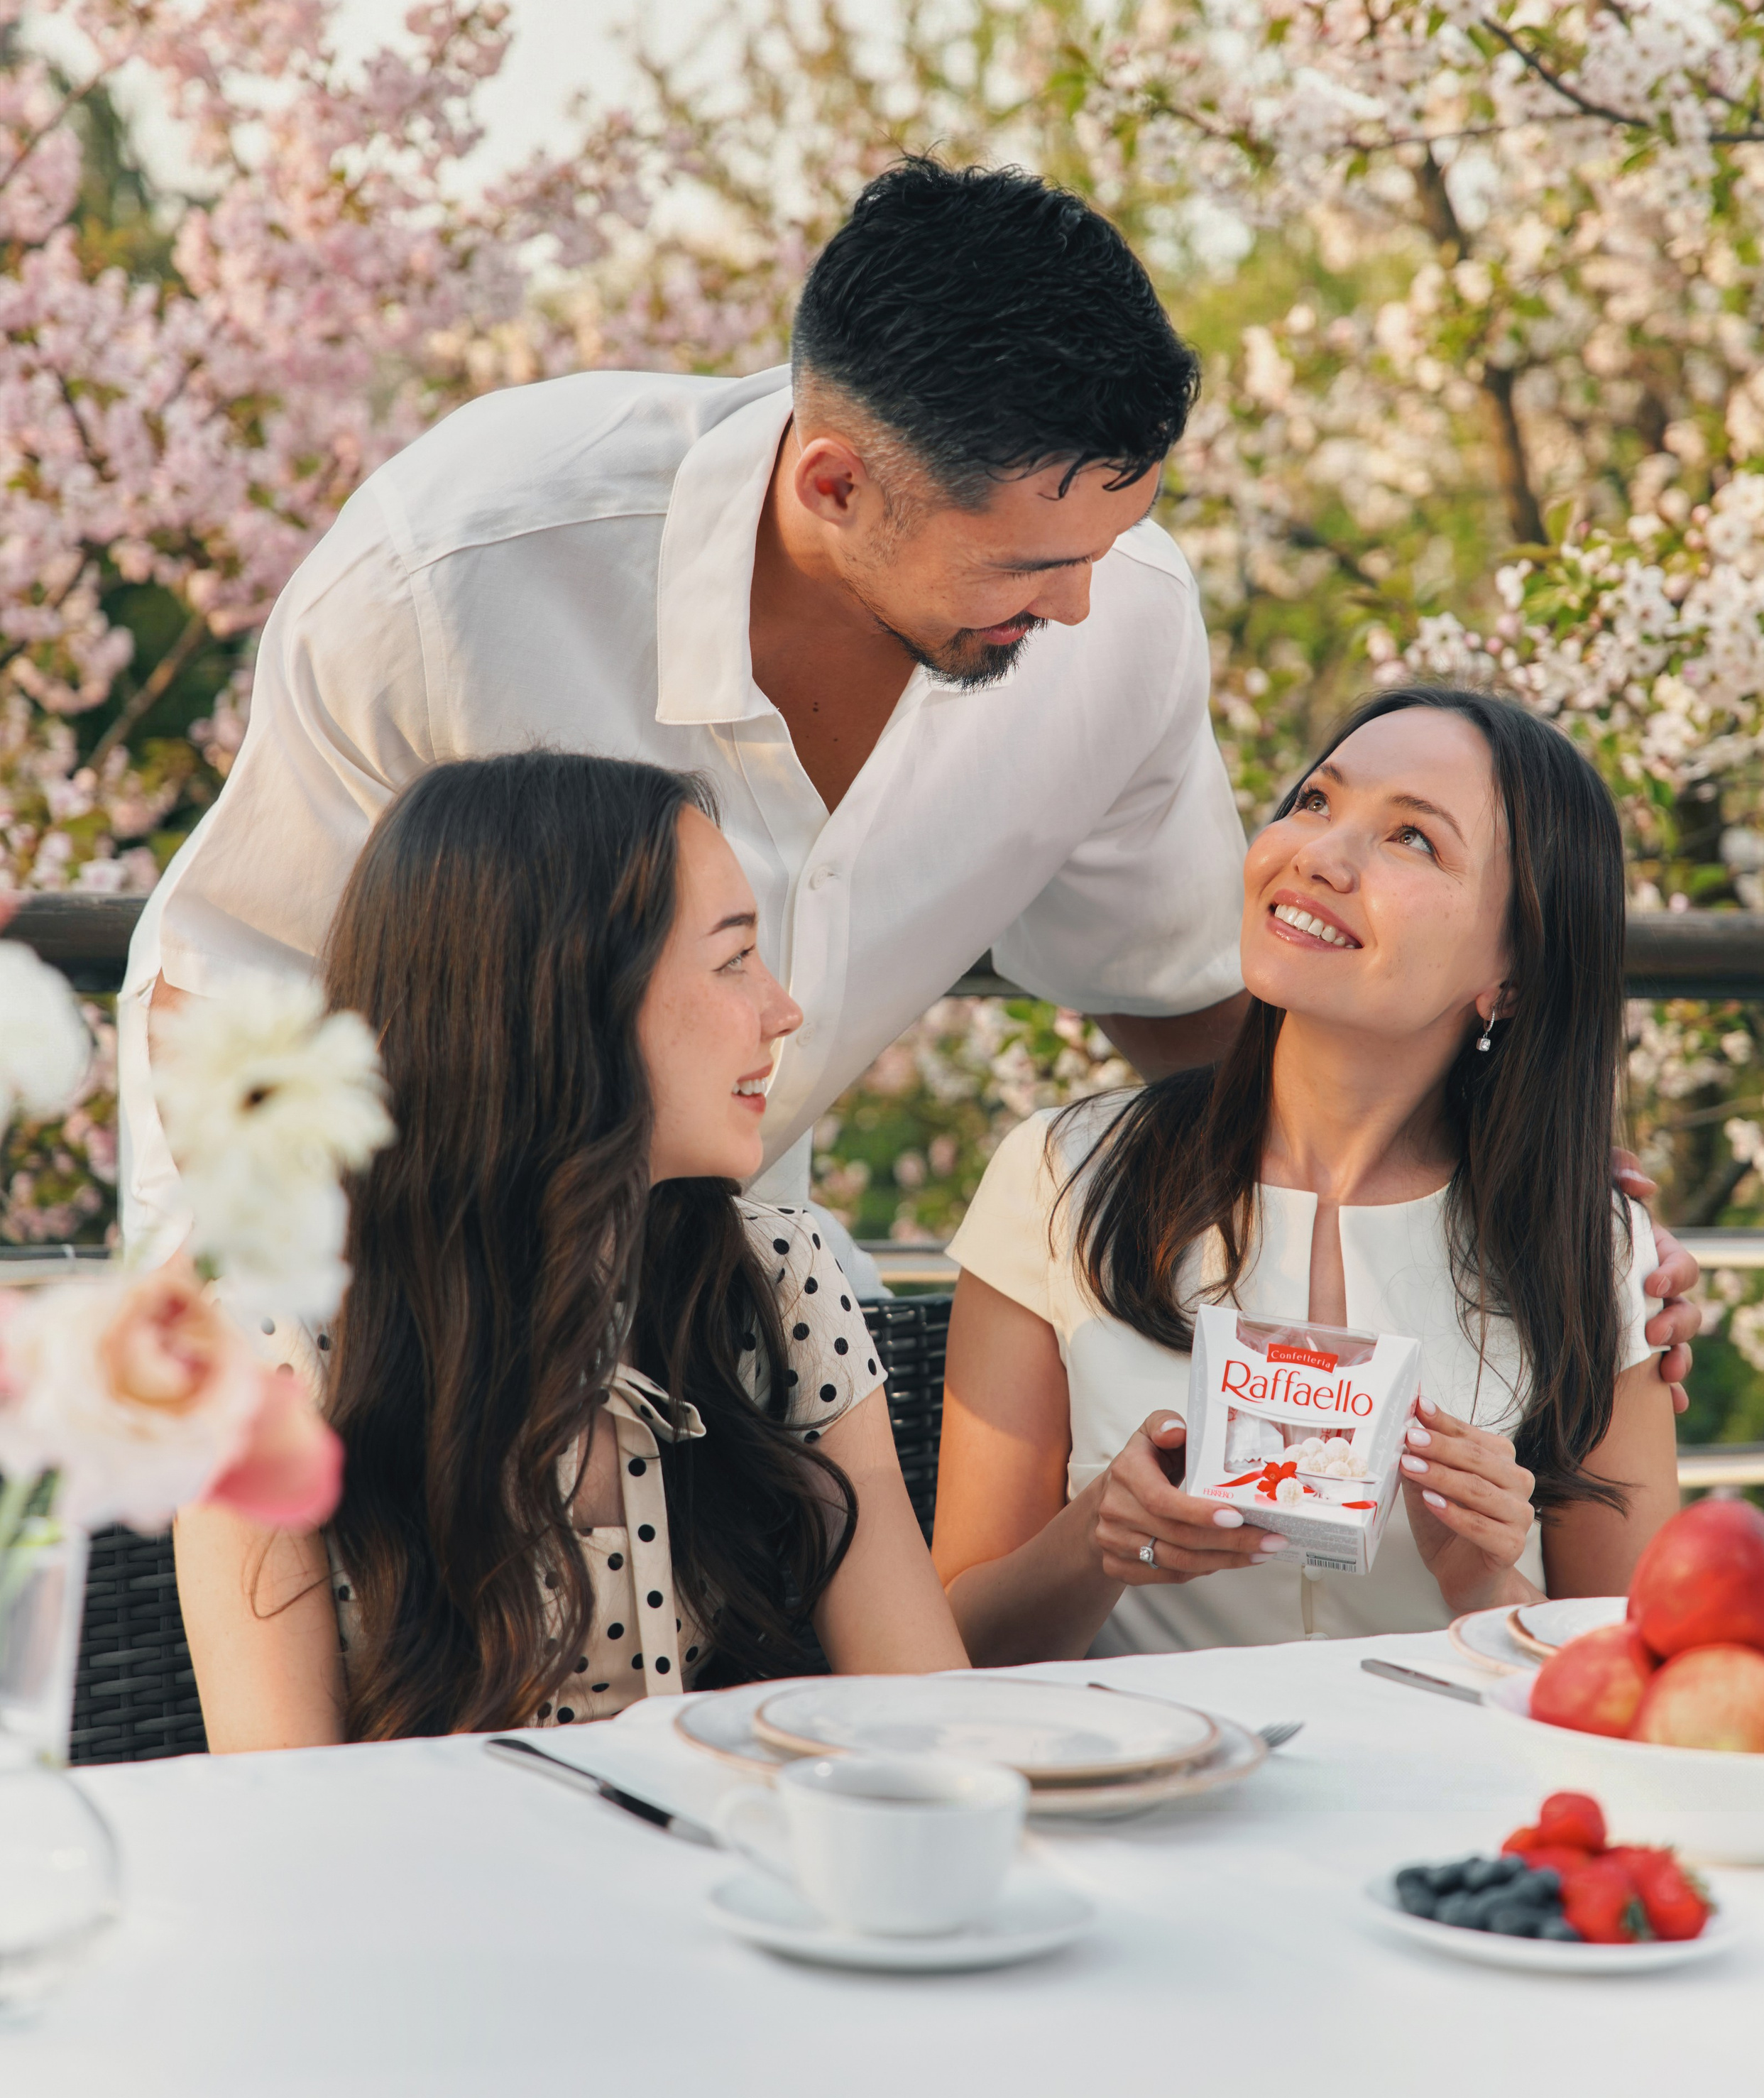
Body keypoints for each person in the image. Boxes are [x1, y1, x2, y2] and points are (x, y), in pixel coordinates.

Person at [121, 157, 1253, 1292]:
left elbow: (1187, 998)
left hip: (719, 1272)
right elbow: (229, 1002)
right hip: (358, 1252)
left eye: (1110, 544)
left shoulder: (1126, 624)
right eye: (1027, 566)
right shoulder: (449, 573)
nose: (1079, 606)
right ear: (834, 487)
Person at [175, 753, 967, 1749]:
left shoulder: (777, 1284)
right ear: (567, 1000)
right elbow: (279, 1819)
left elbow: (930, 1729)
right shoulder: (271, 1361)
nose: (784, 1009)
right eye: (733, 960)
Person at [933, 689, 1682, 1663]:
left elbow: (1640, 1677)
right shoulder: (1063, 1175)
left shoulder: (1589, 1247)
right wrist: (1100, 1540)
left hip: (1446, 1803)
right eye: (1318, 802)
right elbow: (950, 1649)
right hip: (1131, 1796)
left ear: (1512, 974)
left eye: (1413, 840)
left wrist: (1481, 1583)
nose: (1318, 856)